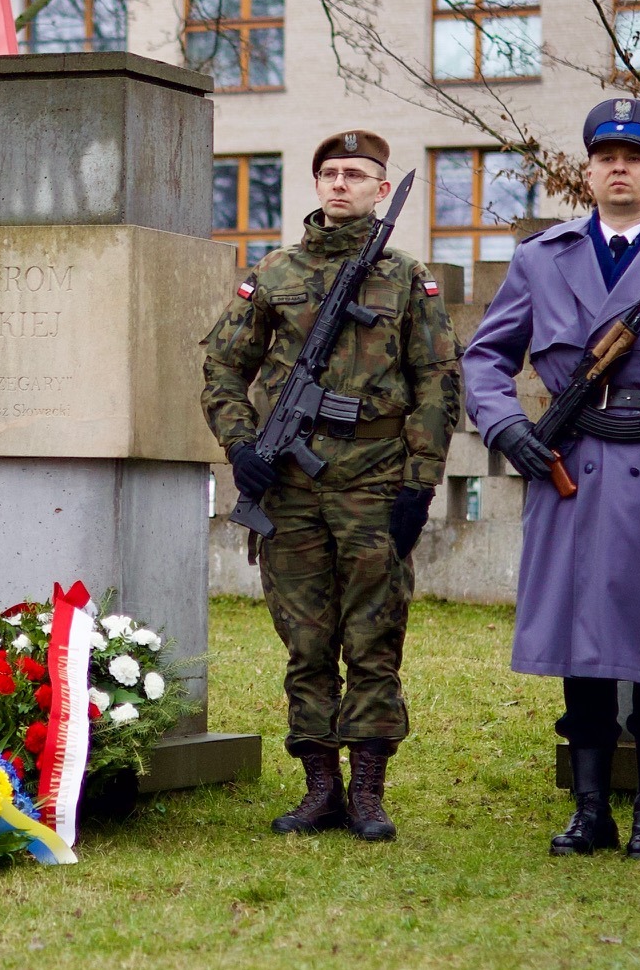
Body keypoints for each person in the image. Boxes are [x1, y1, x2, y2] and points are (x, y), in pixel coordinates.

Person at [461, 99, 640, 861]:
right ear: (587, 173)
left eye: (634, 158)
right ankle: (590, 811)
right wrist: (507, 427)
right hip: (567, 461)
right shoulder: (541, 257)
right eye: (604, 158)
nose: (618, 169)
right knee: (577, 638)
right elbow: (484, 358)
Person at [199, 129, 461, 843]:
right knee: (305, 642)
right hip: (287, 489)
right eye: (330, 173)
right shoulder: (275, 272)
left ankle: (368, 791)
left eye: (356, 174)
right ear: (316, 185)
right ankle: (320, 788)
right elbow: (223, 365)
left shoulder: (405, 278)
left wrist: (420, 483)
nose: (340, 184)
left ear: (381, 189)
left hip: (375, 482)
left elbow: (437, 381)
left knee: (374, 638)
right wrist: (241, 445)